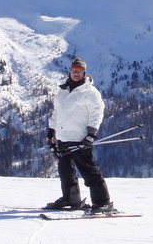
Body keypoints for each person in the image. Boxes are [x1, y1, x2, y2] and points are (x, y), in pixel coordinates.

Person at [45, 57, 113, 212]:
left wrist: (91, 134)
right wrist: (51, 132)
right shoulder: (62, 91)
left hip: (79, 138)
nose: (76, 74)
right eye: (73, 71)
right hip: (62, 137)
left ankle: (103, 202)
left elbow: (96, 113)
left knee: (89, 171)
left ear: (84, 73)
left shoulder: (90, 92)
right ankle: (71, 199)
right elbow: (57, 113)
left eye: (79, 71)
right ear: (70, 72)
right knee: (65, 171)